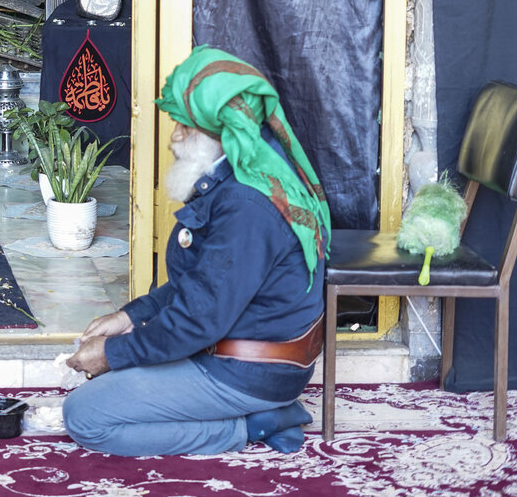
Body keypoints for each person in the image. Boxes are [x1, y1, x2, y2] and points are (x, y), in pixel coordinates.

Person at [64, 46, 330, 455]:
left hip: (248, 371)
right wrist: (131, 316)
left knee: (86, 415)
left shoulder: (247, 205)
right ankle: (254, 411)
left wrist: (113, 355)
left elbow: (197, 320)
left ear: (224, 131)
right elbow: (205, 282)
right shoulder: (250, 174)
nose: (174, 137)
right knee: (118, 378)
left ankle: (253, 424)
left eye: (186, 127)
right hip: (242, 356)